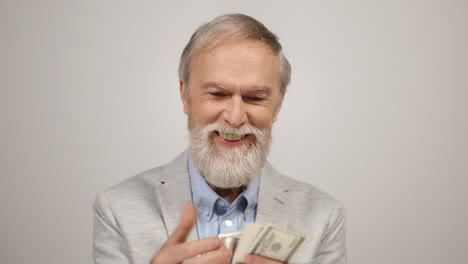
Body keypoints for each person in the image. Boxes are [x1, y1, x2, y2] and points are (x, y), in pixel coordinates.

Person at [93, 13, 347, 264]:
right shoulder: (117, 208)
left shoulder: (323, 215)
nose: (235, 118)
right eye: (217, 94)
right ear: (185, 96)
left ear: (278, 105)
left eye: (255, 98)